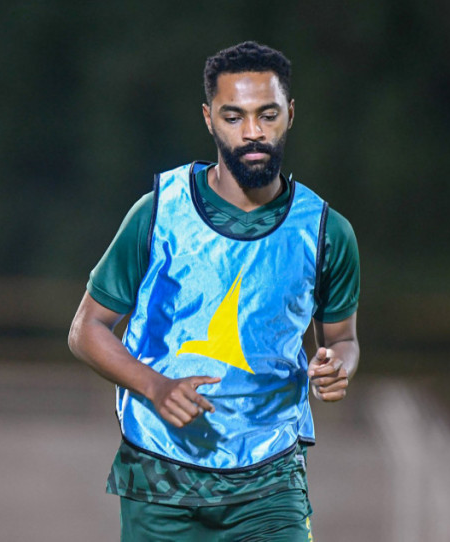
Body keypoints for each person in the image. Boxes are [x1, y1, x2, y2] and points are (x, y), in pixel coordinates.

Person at [68, 42, 360, 541]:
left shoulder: (327, 232)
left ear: (290, 115)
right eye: (234, 116)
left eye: (267, 114)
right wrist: (156, 386)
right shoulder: (158, 212)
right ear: (209, 119)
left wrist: (339, 367)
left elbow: (343, 340)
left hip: (271, 482)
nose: (253, 131)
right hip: (161, 477)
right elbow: (86, 330)